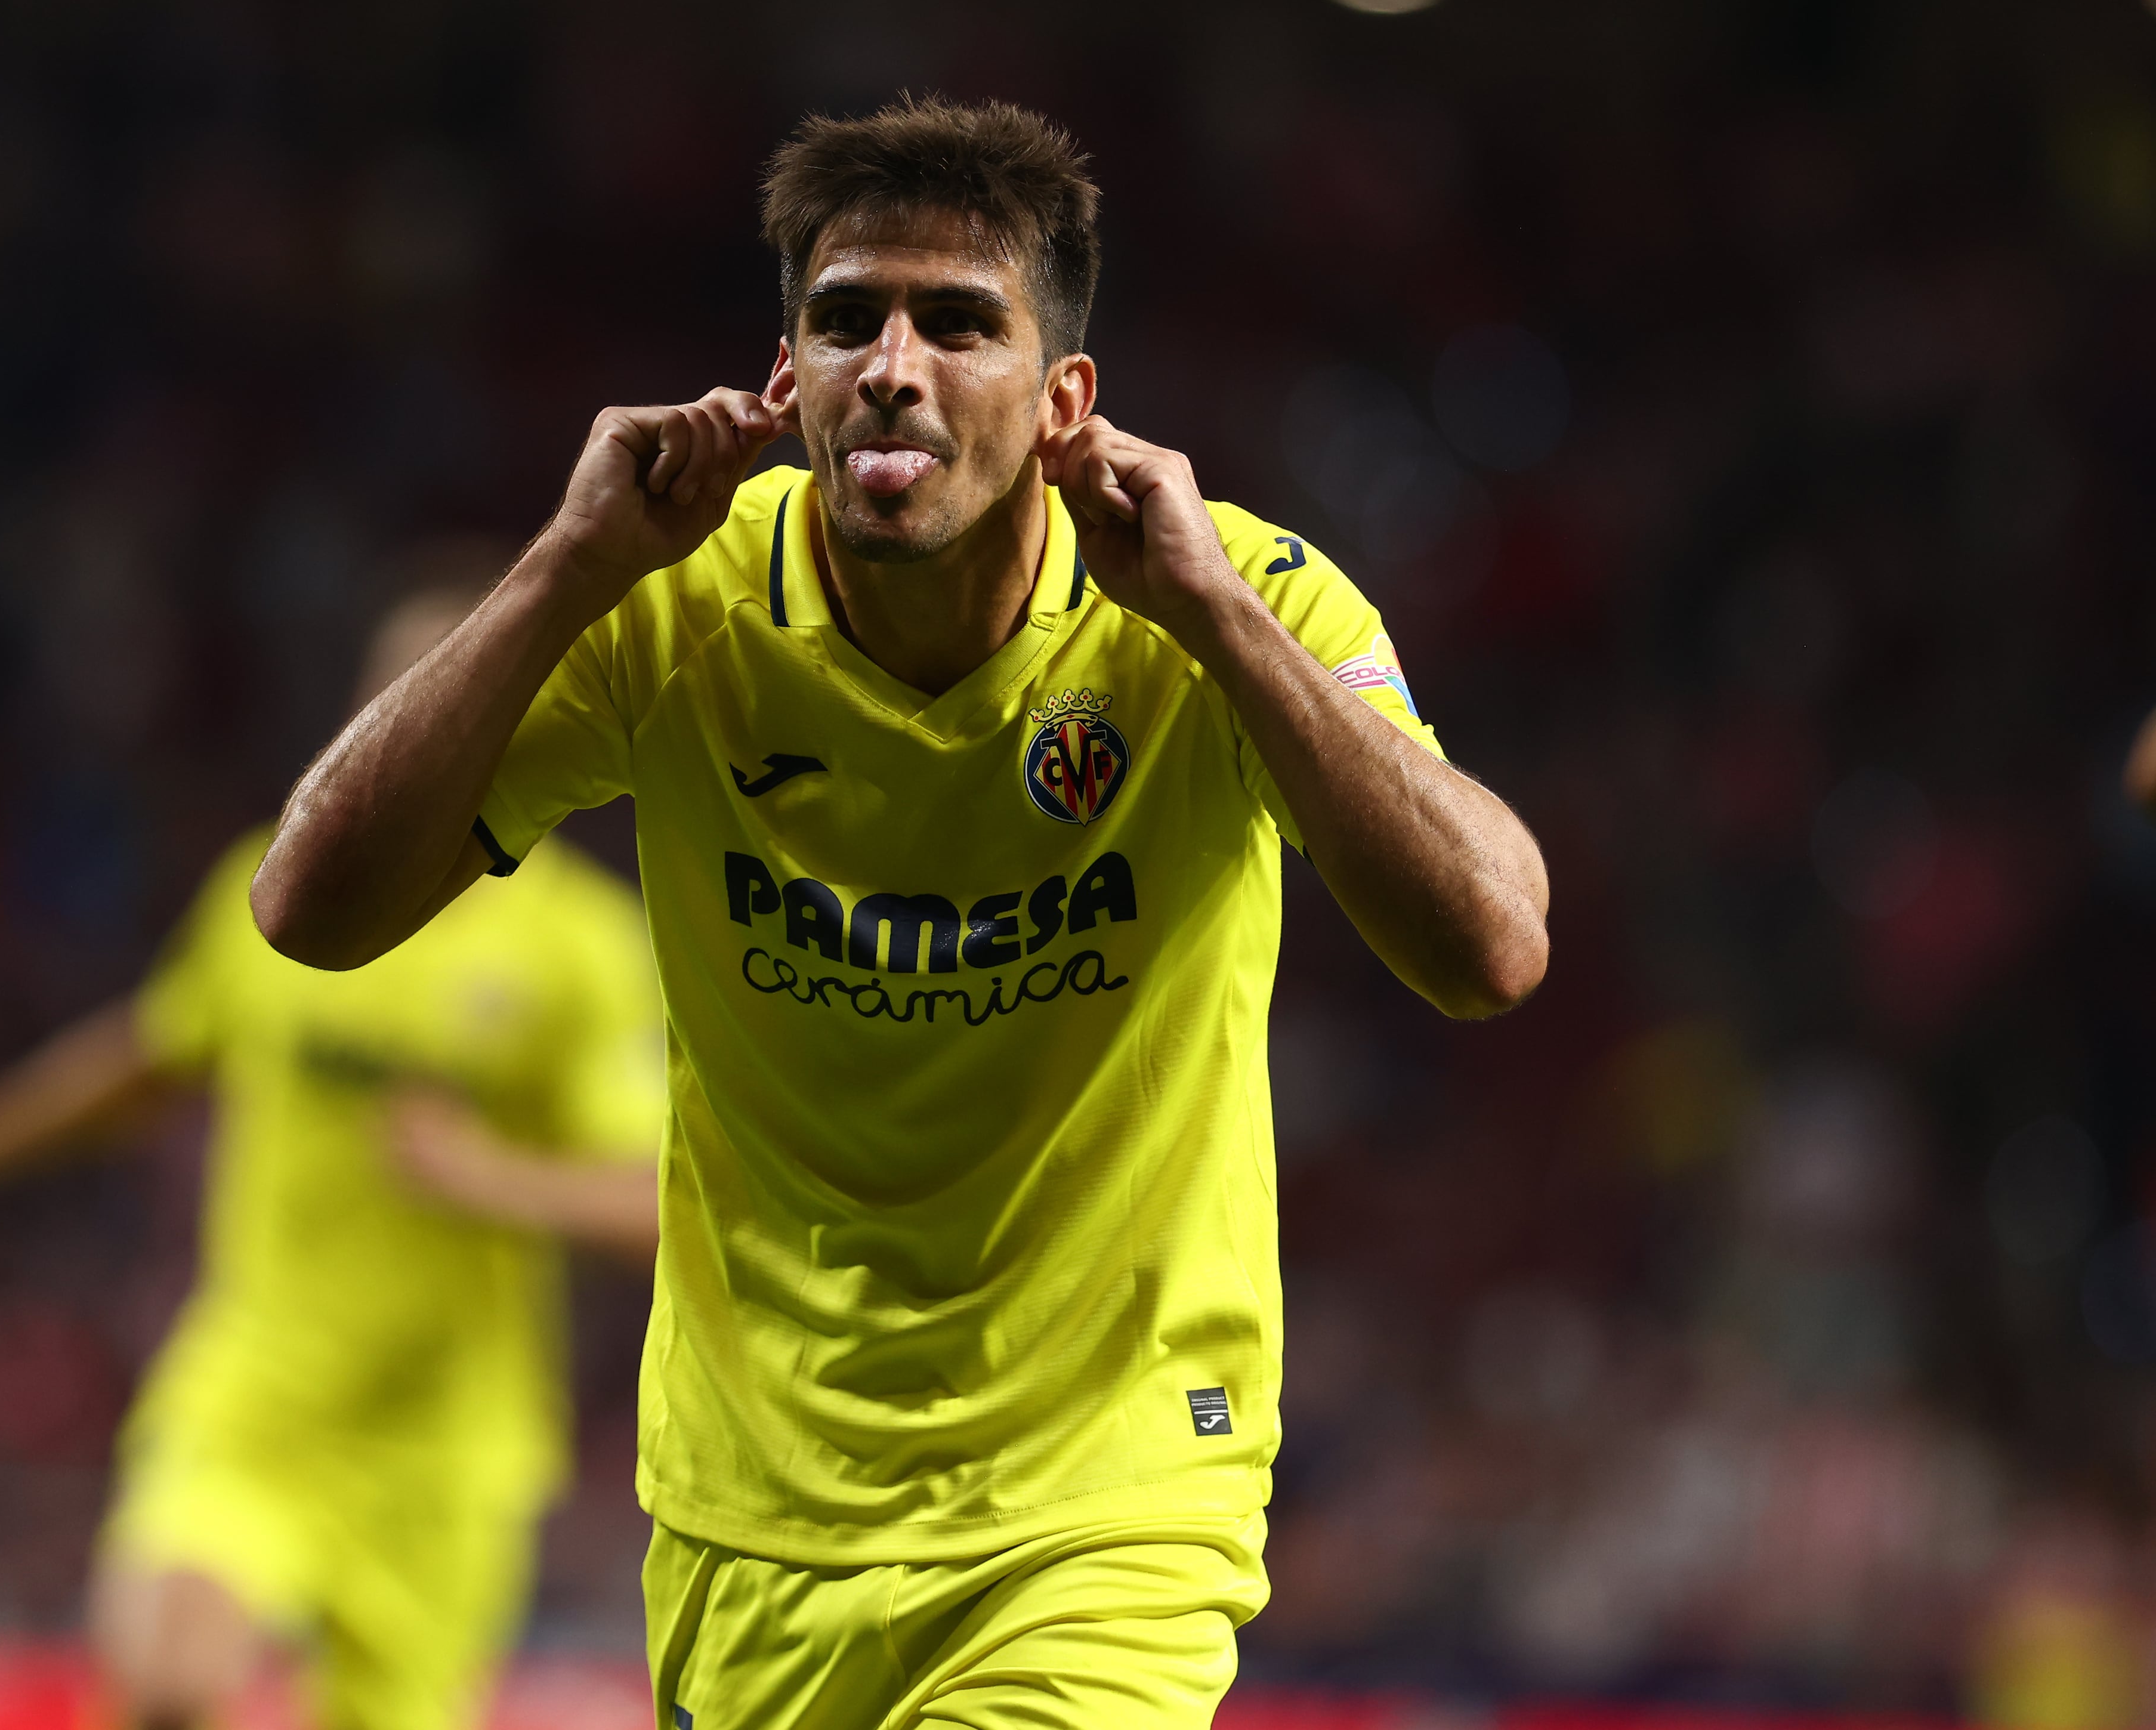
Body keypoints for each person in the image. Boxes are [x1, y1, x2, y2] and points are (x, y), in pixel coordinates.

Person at [252, 97, 1551, 1730]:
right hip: (754, 1508)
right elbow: (310, 909)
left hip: (1107, 1498)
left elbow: (1495, 943)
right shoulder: (667, 598)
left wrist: (1219, 621)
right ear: (784, 376)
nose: (896, 363)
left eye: (960, 323)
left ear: (1065, 397)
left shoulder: (1228, 601)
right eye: (847, 316)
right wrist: (561, 566)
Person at [0, 573, 667, 1730]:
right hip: (254, 1398)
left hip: (443, 1452)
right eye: (414, 692)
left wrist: (489, 1176)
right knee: (172, 1683)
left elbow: (661, 1201)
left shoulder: (580, 951)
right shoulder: (281, 890)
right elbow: (150, 1060)